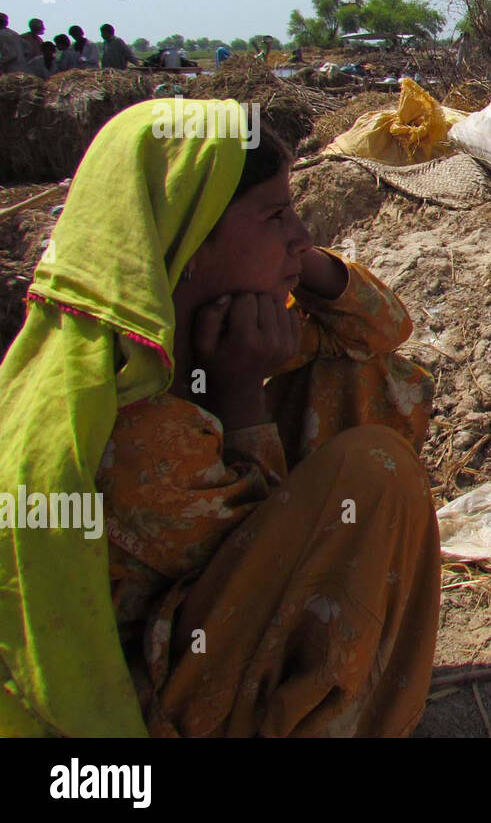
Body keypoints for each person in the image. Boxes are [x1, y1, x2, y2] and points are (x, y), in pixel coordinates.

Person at [0, 102, 442, 737]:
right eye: (273, 216)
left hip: (199, 630)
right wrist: (238, 400)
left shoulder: (194, 331)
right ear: (186, 237)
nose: (300, 235)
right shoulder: (128, 425)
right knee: (375, 472)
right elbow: (249, 562)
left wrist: (305, 265)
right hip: (151, 708)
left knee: (354, 371)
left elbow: (382, 332)